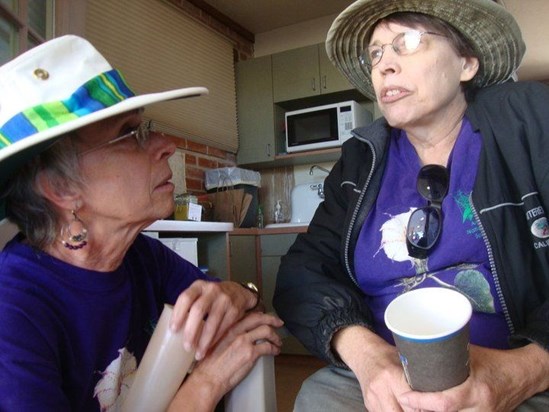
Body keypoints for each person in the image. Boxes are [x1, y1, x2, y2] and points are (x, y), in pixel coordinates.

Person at [273, 0, 549, 410]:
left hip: (524, 369)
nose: (384, 64)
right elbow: (302, 271)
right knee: (318, 397)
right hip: (390, 377)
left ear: (466, 64)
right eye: (376, 53)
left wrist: (524, 370)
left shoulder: (527, 118)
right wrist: (367, 357)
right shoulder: (359, 159)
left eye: (409, 42)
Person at [0, 35, 283, 411]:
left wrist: (238, 293)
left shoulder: (141, 257)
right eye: (127, 135)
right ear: (61, 188)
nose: (167, 144)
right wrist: (205, 385)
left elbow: (248, 321)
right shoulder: (13, 310)